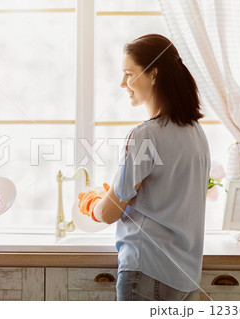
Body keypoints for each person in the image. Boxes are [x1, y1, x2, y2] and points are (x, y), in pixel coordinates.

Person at [78, 34, 211, 301]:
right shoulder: (196, 132)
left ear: (153, 74)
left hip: (148, 270)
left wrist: (91, 203)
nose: (123, 83)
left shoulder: (146, 135)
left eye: (129, 74)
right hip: (185, 277)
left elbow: (108, 213)